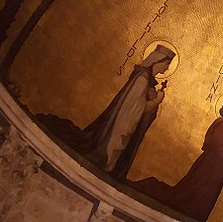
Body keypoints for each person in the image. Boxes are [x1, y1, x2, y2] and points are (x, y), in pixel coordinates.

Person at [38, 44, 175, 179]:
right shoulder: (142, 80)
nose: (167, 68)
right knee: (110, 153)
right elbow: (135, 111)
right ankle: (106, 160)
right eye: (166, 64)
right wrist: (156, 101)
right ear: (158, 60)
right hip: (120, 126)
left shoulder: (145, 80)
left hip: (121, 122)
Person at [130, 95, 223, 222]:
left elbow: (221, 153)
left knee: (191, 200)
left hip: (211, 168)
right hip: (208, 172)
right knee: (189, 201)